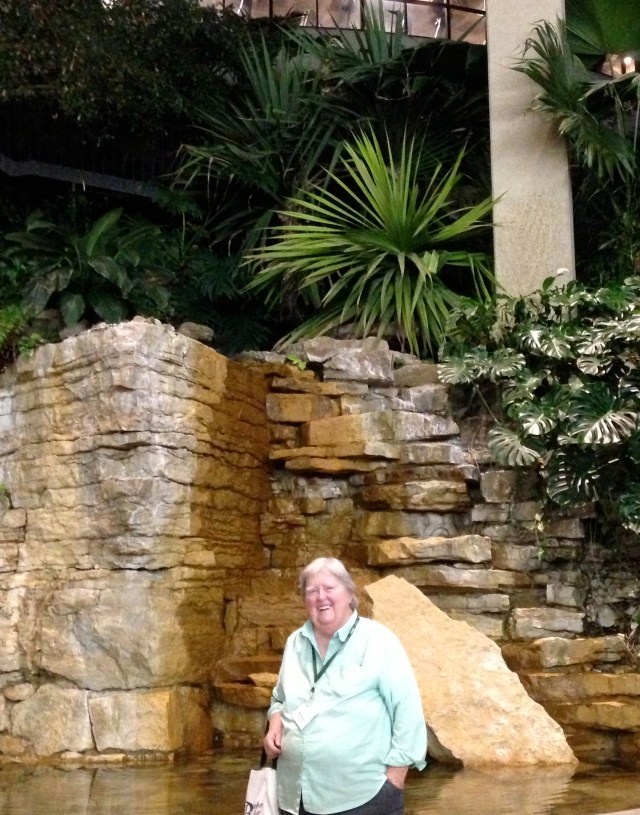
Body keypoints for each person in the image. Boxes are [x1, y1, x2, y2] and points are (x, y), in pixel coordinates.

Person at [264, 557, 427, 815]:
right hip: (295, 799)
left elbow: (408, 713)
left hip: (362, 800)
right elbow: (279, 698)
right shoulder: (295, 643)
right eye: (312, 591)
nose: (321, 597)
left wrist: (394, 781)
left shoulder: (379, 641)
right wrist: (275, 721)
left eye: (329, 588)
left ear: (350, 593)